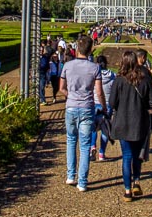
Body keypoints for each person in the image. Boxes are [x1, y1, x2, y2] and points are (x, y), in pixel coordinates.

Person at [60, 36, 107, 192]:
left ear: (77, 49)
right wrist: (105, 107)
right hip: (87, 107)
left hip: (71, 107)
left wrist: (71, 96)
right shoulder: (95, 68)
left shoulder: (67, 65)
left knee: (71, 140)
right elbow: (99, 92)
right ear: (90, 49)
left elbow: (61, 88)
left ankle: (70, 175)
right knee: (85, 145)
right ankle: (82, 182)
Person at [109, 51, 152, 202]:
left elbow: (112, 103)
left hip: (123, 122)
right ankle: (136, 180)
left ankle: (128, 191)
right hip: (139, 122)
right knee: (137, 156)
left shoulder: (119, 81)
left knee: (126, 156)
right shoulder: (144, 79)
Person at [90, 55, 116, 161]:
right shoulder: (112, 75)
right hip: (107, 105)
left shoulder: (94, 74)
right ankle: (102, 153)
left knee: (93, 129)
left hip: (95, 103)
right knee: (105, 130)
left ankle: (92, 147)